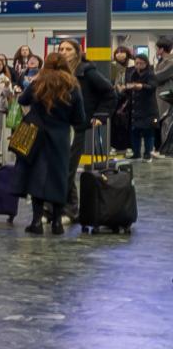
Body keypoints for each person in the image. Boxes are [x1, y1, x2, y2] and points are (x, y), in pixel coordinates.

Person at [17, 55, 85, 234]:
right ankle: (57, 223)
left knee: (36, 176)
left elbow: (22, 100)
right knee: (59, 177)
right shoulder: (73, 86)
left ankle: (36, 222)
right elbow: (80, 119)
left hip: (37, 135)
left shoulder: (38, 83)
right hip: (61, 136)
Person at [59, 38, 113, 220]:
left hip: (79, 126)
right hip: (59, 126)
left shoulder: (87, 72)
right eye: (61, 48)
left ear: (77, 51)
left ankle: (63, 209)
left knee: (68, 168)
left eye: (68, 49)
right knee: (62, 168)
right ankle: (70, 208)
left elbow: (109, 92)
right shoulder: (59, 72)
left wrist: (100, 115)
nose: (63, 51)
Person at [122, 52, 158, 163]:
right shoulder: (133, 73)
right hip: (135, 108)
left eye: (141, 63)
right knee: (135, 132)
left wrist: (141, 86)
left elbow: (152, 87)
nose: (138, 65)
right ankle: (136, 153)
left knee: (148, 132)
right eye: (136, 63)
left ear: (146, 63)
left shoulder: (151, 74)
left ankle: (148, 154)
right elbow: (129, 85)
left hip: (148, 108)